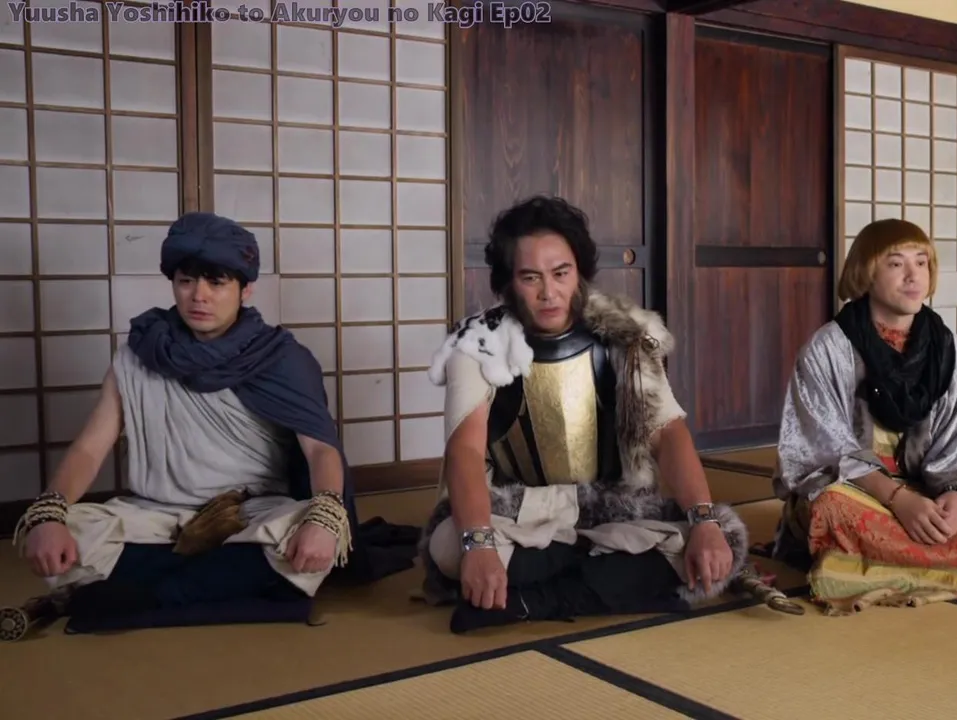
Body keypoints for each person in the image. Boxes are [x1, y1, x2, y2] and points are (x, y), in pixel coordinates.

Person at [6, 212, 415, 639]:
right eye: (186, 281)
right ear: (173, 283)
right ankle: (199, 586)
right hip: (156, 516)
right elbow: (90, 448)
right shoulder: (139, 355)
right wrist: (50, 513)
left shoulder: (280, 358)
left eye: (216, 283)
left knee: (304, 532)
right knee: (67, 533)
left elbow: (320, 449)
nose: (198, 296)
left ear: (245, 288)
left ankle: (137, 590)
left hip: (248, 515)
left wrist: (325, 517)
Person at [419, 195, 750, 634]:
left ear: (579, 272)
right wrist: (479, 543)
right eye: (530, 278)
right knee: (449, 547)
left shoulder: (624, 334)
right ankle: (612, 583)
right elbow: (465, 451)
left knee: (721, 540)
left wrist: (703, 521)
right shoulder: (480, 343)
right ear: (508, 282)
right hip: (521, 512)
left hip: (612, 509)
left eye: (561, 273)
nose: (549, 292)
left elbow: (668, 432)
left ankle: (531, 600)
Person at [770, 219, 957, 615]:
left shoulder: (954, 352)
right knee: (831, 507)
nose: (914, 276)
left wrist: (956, 499)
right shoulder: (829, 349)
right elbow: (820, 448)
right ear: (866, 272)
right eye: (896, 264)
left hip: (929, 497)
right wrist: (898, 500)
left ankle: (865, 571)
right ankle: (954, 568)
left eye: (922, 262)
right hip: (863, 494)